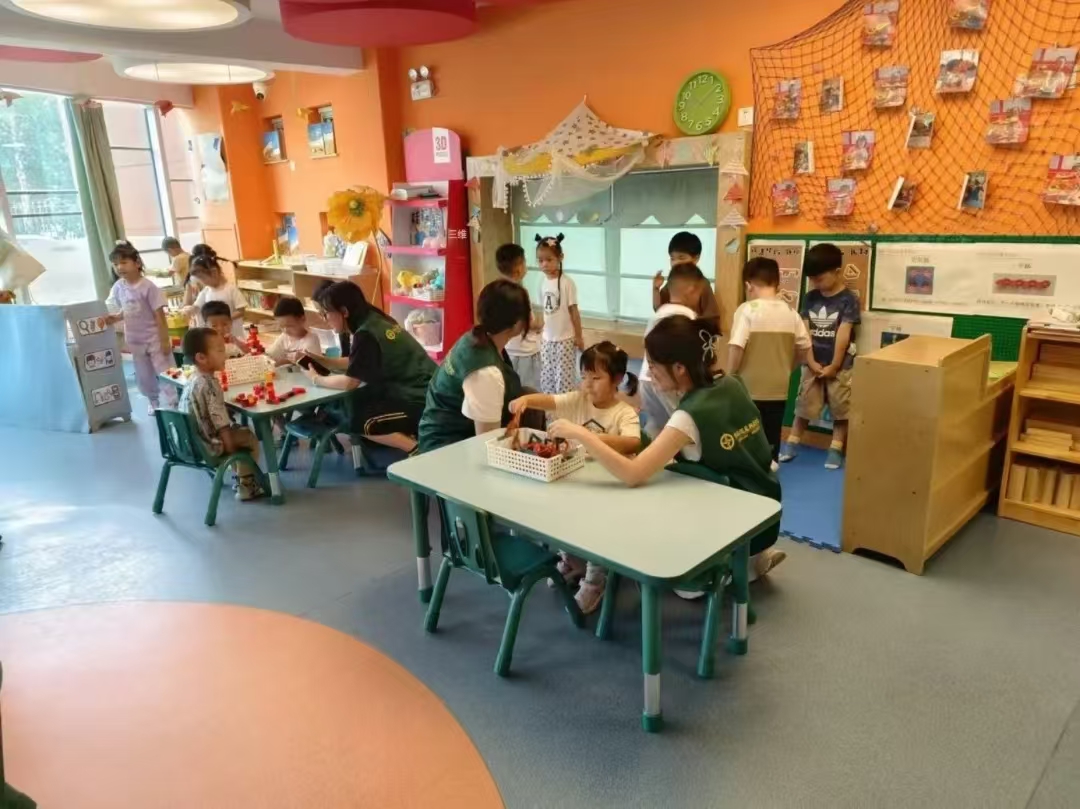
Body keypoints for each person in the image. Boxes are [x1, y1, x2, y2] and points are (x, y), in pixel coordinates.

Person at [549, 315, 786, 581]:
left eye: (653, 365)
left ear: (680, 368)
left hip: (735, 519)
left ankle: (728, 568)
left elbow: (632, 474)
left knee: (672, 569)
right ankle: (751, 560)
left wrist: (580, 433)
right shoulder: (731, 383)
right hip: (767, 501)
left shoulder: (688, 417)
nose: (649, 372)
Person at [508, 342, 641, 613]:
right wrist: (526, 400)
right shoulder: (579, 399)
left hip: (608, 487)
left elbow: (632, 442)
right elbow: (550, 400)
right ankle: (571, 560)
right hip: (578, 478)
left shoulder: (623, 412)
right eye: (584, 376)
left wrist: (586, 436)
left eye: (596, 378)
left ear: (617, 379)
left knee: (596, 525)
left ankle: (595, 578)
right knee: (558, 513)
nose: (587, 384)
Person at [302, 280, 435, 455]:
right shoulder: (375, 318)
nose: (325, 319)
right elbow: (358, 362)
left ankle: (416, 450)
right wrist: (321, 360)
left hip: (420, 397)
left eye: (326, 313)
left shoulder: (365, 334)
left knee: (360, 422)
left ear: (344, 312)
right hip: (427, 387)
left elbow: (350, 383)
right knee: (362, 403)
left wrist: (316, 379)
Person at [418, 279, 532, 452]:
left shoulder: (476, 336)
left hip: (440, 429)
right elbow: (488, 444)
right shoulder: (486, 373)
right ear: (517, 323)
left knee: (529, 397)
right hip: (445, 448)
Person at [780, 243, 860, 470]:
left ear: (837, 271)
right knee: (804, 404)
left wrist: (834, 365)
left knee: (840, 408)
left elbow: (844, 334)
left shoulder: (849, 299)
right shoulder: (810, 297)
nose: (815, 283)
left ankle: (835, 448)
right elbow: (804, 332)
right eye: (812, 279)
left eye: (819, 278)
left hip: (841, 365)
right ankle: (792, 443)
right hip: (812, 362)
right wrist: (810, 361)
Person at [728, 257, 811, 466]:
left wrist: (730, 376)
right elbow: (805, 349)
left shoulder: (747, 310)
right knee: (771, 436)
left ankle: (747, 473)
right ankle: (770, 467)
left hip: (747, 389)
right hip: (779, 388)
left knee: (746, 436)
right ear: (777, 284)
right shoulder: (791, 313)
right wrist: (788, 368)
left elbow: (736, 346)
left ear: (748, 285)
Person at [179, 326, 265, 501]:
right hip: (207, 446)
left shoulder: (192, 379)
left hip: (187, 444)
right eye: (219, 350)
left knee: (236, 431)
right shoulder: (210, 383)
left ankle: (239, 478)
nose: (224, 355)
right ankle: (246, 486)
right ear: (201, 357)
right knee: (248, 437)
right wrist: (230, 447)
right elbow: (221, 422)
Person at [104, 240, 176, 414]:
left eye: (123, 262)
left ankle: (174, 402)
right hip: (135, 341)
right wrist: (115, 317)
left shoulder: (148, 287)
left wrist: (164, 341)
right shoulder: (119, 287)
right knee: (144, 375)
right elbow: (127, 309)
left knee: (165, 371)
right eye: (115, 264)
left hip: (154, 338)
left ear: (137, 263)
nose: (119, 267)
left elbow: (160, 316)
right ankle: (153, 401)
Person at [638, 262, 706, 439]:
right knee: (681, 426)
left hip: (646, 378)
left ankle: (647, 452)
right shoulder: (687, 317)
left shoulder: (660, 311)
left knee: (655, 424)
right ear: (691, 290)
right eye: (700, 293)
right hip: (669, 380)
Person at [535, 234, 583, 394]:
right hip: (547, 340)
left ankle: (565, 408)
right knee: (547, 379)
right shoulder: (541, 282)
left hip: (565, 340)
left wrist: (579, 336)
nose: (544, 264)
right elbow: (543, 310)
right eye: (540, 260)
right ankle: (549, 409)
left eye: (549, 260)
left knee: (564, 381)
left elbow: (574, 312)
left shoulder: (567, 283)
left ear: (560, 258)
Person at [496, 242, 543, 391]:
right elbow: (528, 324)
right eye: (525, 262)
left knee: (511, 389)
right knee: (529, 392)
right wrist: (541, 324)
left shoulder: (496, 290)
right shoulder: (520, 293)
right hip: (526, 351)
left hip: (507, 349)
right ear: (518, 268)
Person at [652, 232, 721, 326]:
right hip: (670, 330)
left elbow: (712, 316)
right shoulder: (672, 281)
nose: (675, 263)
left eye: (681, 258)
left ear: (696, 258)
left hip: (693, 331)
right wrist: (656, 289)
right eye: (672, 258)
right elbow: (659, 309)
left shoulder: (702, 283)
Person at [187, 252, 247, 338]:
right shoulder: (206, 291)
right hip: (216, 334)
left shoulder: (231, 289)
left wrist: (223, 320)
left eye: (203, 278)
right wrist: (189, 310)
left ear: (214, 272)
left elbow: (241, 311)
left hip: (234, 333)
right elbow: (196, 306)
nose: (202, 282)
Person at [267, 296, 321, 366]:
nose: (285, 330)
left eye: (289, 326)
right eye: (282, 326)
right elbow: (270, 355)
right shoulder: (284, 337)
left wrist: (285, 361)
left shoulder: (312, 339)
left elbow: (313, 365)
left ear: (302, 319)